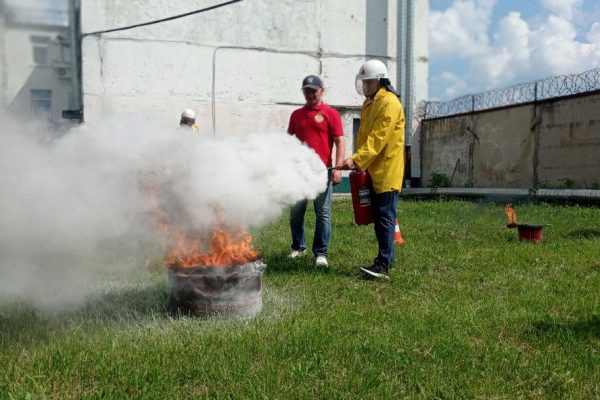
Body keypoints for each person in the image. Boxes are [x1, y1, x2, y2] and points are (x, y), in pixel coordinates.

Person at [337, 59, 405, 279]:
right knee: (379, 217)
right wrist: (359, 163)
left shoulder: (389, 103)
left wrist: (355, 160)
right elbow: (364, 136)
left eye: (368, 83)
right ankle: (383, 260)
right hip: (372, 169)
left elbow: (378, 139)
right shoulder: (370, 103)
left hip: (386, 170)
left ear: (380, 81)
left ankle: (383, 266)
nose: (365, 87)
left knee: (385, 217)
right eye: (363, 83)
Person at [287, 75, 345, 268]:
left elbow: (339, 141)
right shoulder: (296, 115)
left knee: (323, 214)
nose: (310, 94)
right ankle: (298, 247)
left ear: (322, 91)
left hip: (322, 173)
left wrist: (337, 168)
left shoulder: (331, 114)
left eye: (314, 90)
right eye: (307, 90)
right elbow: (289, 142)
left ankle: (321, 253)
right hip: (298, 173)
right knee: (296, 213)